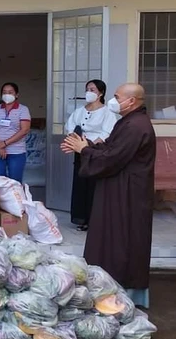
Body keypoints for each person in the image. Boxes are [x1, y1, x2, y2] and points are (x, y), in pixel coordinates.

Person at [61, 83, 156, 308]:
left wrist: (84, 150)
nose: (113, 100)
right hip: (118, 188)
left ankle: (121, 291)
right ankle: (105, 285)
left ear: (131, 101)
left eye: (116, 96)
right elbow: (110, 150)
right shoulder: (129, 122)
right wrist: (86, 146)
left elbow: (113, 158)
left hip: (128, 194)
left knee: (122, 239)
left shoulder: (136, 126)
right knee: (109, 236)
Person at [64, 79, 119, 231]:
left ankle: (95, 220)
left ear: (101, 93)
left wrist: (91, 145)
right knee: (80, 185)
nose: (89, 92)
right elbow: (70, 126)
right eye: (87, 89)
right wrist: (75, 141)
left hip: (97, 151)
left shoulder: (107, 112)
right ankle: (81, 218)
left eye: (93, 90)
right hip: (79, 151)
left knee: (94, 186)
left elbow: (107, 132)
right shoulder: (79, 111)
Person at [0, 82, 31, 183]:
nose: (7, 95)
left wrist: (4, 144)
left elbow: (24, 130)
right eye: (4, 92)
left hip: (17, 152)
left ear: (17, 95)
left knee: (15, 183)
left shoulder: (23, 109)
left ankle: (15, 200)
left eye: (10, 92)